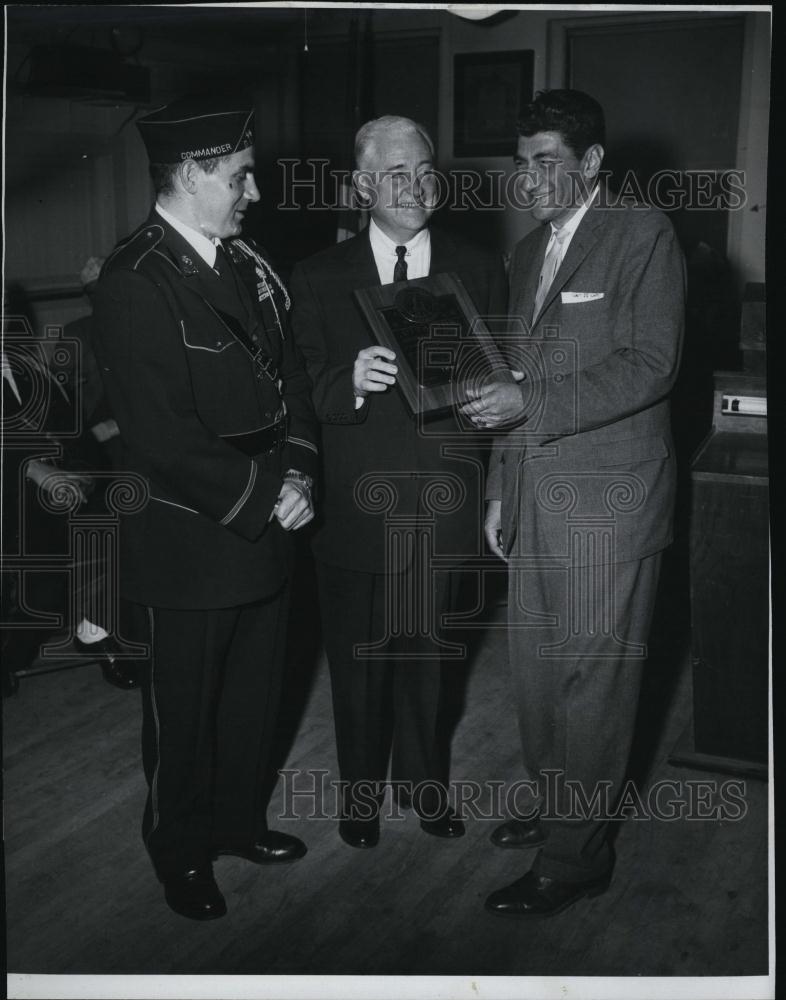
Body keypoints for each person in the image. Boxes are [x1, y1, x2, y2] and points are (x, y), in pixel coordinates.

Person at [92, 96, 319, 920]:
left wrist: (299, 479)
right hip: (193, 535)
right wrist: (270, 496)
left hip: (270, 521)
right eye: (238, 176)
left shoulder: (247, 264)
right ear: (189, 177)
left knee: (254, 699)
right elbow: (162, 436)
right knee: (184, 715)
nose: (252, 191)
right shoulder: (136, 278)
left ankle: (235, 823)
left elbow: (291, 379)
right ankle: (180, 851)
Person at [461, 90, 685, 916]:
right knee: (536, 679)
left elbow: (651, 364)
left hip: (610, 504)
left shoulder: (642, 234)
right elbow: (506, 381)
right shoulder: (528, 255)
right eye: (521, 164)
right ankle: (561, 811)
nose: (529, 179)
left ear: (591, 163)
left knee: (594, 684)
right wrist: (498, 487)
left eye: (546, 160)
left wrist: (532, 408)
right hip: (533, 499)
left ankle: (576, 858)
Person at [290, 115, 507, 849]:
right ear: (360, 187)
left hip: (444, 501)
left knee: (428, 659)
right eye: (394, 175)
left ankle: (426, 786)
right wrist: (344, 383)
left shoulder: (479, 266)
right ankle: (359, 796)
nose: (415, 188)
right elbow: (299, 393)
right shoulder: (317, 276)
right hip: (354, 507)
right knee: (359, 665)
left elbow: (501, 381)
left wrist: (489, 415)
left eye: (424, 171)